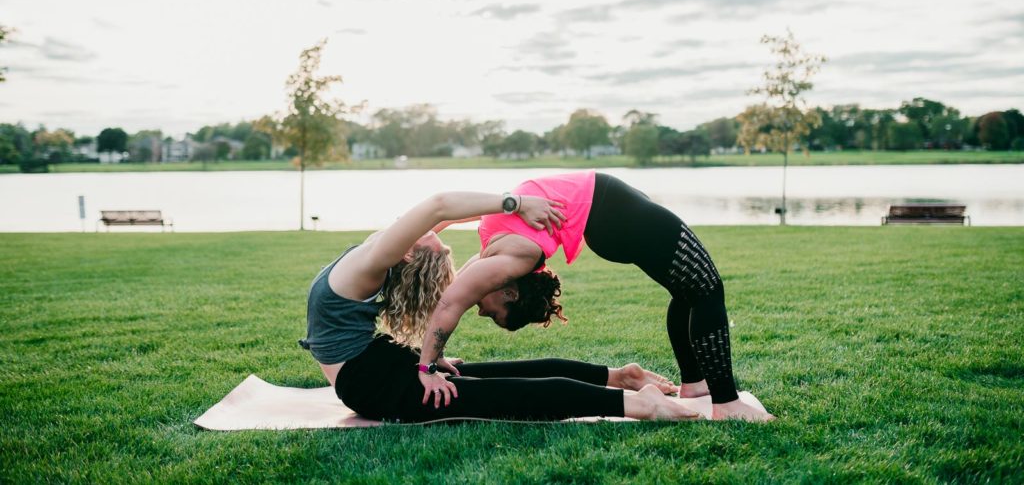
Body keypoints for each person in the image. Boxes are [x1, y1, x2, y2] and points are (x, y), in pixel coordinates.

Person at [298, 188, 700, 423]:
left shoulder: (381, 252)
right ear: (406, 254)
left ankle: (618, 377)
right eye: (433, 241)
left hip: (375, 363)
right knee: (499, 395)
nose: (433, 234)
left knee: (498, 375)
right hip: (367, 383)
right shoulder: (374, 261)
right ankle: (638, 405)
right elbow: (438, 206)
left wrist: (428, 364)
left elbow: (442, 218)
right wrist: (515, 202)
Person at [416, 171, 774, 422]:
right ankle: (726, 403)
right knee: (708, 291)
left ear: (509, 292)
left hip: (611, 214)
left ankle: (695, 388)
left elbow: (449, 298)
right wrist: (427, 365)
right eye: (492, 314)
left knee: (688, 291)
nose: (481, 313)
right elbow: (453, 304)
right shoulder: (507, 262)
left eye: (492, 315)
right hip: (614, 212)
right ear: (510, 290)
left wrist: (426, 228)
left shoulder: (494, 256)